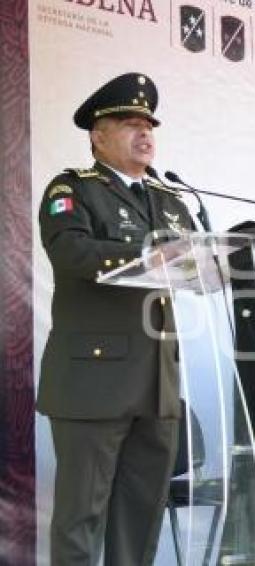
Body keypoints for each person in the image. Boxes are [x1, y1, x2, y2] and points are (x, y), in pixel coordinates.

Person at [37, 73, 196, 565]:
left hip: (158, 383)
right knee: (82, 518)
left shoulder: (170, 197)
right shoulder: (73, 189)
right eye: (130, 123)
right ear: (98, 135)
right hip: (95, 380)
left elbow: (195, 260)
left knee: (141, 516)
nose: (145, 132)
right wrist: (150, 255)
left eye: (149, 124)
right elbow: (72, 253)